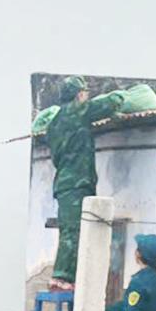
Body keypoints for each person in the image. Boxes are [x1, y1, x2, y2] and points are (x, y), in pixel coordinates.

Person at [47, 75, 124, 291]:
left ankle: (69, 276)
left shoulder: (53, 124)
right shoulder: (77, 111)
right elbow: (110, 103)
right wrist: (121, 96)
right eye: (84, 93)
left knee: (71, 229)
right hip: (77, 182)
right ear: (79, 94)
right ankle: (61, 277)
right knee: (73, 230)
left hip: (65, 182)